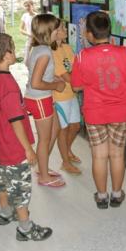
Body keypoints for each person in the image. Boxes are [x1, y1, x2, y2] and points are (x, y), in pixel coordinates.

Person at [0, 33, 52, 241]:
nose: (15, 52)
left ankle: (5, 212)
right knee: (20, 187)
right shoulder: (9, 86)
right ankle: (25, 227)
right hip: (13, 146)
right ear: (6, 55)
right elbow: (15, 121)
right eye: (12, 49)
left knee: (4, 179)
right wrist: (28, 149)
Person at [71, 11, 126, 208]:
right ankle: (117, 194)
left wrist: (92, 84)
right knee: (117, 154)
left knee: (99, 155)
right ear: (109, 31)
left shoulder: (82, 56)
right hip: (120, 113)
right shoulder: (125, 53)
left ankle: (102, 197)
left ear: (89, 34)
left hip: (95, 114)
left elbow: (76, 87)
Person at [24, 14, 66, 188]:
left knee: (55, 128)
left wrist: (52, 77)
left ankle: (42, 168)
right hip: (39, 99)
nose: (61, 30)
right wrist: (56, 85)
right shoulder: (44, 53)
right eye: (59, 28)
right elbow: (36, 82)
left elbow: (36, 72)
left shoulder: (41, 48)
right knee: (44, 138)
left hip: (42, 97)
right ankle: (43, 177)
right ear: (50, 31)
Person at [51, 19, 82, 175]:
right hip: (60, 96)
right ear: (54, 32)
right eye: (62, 28)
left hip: (72, 93)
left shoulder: (67, 47)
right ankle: (65, 162)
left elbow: (76, 68)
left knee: (75, 125)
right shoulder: (52, 51)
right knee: (63, 130)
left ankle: (67, 150)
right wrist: (84, 84)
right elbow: (65, 76)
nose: (65, 29)